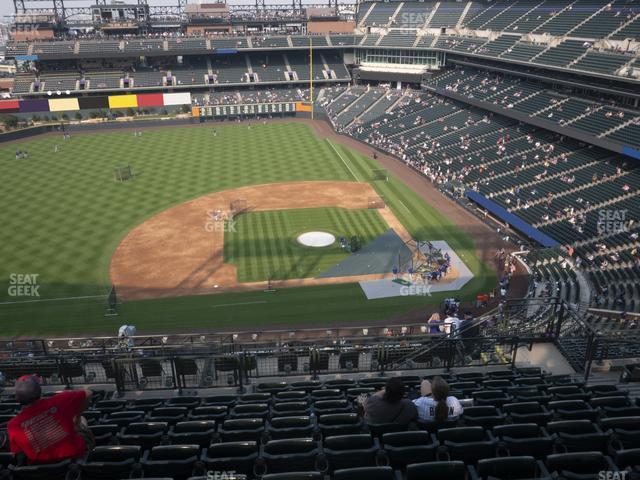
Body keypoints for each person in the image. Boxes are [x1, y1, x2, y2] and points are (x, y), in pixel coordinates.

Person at [8, 375, 94, 464]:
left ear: (17, 398)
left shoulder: (13, 425)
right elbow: (88, 393)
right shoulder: (60, 400)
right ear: (40, 391)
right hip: (74, 457)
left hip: (42, 469)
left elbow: (17, 453)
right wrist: (78, 416)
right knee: (82, 420)